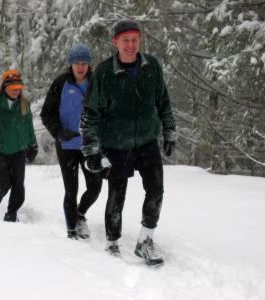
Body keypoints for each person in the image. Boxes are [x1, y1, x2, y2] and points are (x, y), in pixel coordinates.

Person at [80, 20, 177, 266]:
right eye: (126, 40)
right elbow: (90, 114)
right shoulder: (104, 73)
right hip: (115, 143)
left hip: (146, 140)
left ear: (140, 41)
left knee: (156, 189)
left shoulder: (152, 66)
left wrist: (169, 130)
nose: (131, 45)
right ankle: (112, 242)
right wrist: (92, 149)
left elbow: (163, 100)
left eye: (135, 39)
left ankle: (145, 241)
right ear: (116, 42)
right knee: (117, 194)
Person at [41, 43, 102, 239]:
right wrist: (59, 132)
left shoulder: (98, 83)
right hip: (66, 146)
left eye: (84, 63)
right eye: (77, 63)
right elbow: (46, 114)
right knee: (71, 190)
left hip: (90, 147)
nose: (81, 67)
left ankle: (80, 214)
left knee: (95, 188)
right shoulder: (60, 83)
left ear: (89, 65)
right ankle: (71, 231)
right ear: (71, 64)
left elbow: (108, 114)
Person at [0, 70, 38, 222]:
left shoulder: (24, 104)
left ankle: (11, 214)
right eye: (12, 88)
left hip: (18, 152)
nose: (15, 91)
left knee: (19, 188)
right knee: (2, 187)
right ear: (5, 87)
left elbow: (28, 126)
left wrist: (32, 144)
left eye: (18, 88)